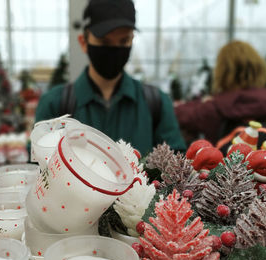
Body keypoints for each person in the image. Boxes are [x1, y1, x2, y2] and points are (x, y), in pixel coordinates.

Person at [35, 0, 186, 155]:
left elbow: (177, 168)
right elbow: (37, 170)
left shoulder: (157, 103)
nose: (114, 49)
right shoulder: (55, 105)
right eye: (104, 41)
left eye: (124, 40)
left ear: (132, 40)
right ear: (83, 42)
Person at [175, 40, 266, 146]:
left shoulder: (215, 106)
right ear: (259, 68)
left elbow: (177, 114)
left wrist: (202, 102)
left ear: (222, 71)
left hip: (223, 161)